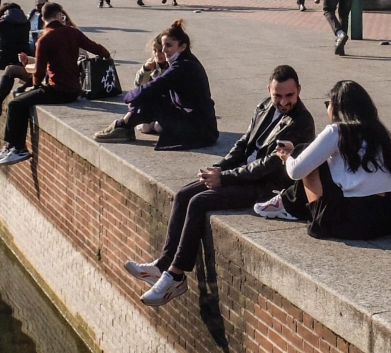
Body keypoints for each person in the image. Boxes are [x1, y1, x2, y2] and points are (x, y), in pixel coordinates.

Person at [123, 65, 316, 307]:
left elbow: (268, 166)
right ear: (269, 90)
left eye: (289, 95)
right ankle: (162, 264)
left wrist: (224, 178)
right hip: (241, 174)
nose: (283, 102)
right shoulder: (264, 105)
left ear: (298, 90)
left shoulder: (301, 122)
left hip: (265, 186)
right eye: (278, 95)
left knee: (198, 202)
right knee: (183, 194)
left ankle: (176, 275)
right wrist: (219, 168)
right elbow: (244, 143)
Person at [257, 80, 391, 241]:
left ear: (337, 107)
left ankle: (289, 206)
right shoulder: (382, 133)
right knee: (314, 157)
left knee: (303, 152)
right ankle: (286, 202)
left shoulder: (338, 131)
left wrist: (287, 156)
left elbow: (295, 171)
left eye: (328, 103)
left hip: (356, 223)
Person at [0, 2, 110, 166]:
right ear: (59, 16)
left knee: (15, 104)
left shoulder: (44, 39)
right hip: (74, 89)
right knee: (22, 100)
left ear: (43, 18)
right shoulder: (73, 32)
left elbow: (39, 70)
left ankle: (18, 148)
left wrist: (35, 86)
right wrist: (107, 56)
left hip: (58, 89)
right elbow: (96, 48)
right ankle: (10, 146)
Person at [93, 19, 219, 150]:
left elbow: (156, 86)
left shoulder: (183, 66)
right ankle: (124, 126)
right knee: (148, 97)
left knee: (148, 96)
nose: (164, 50)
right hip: (198, 123)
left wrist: (130, 98)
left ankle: (122, 126)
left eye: (169, 45)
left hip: (199, 129)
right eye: (163, 45)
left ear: (183, 47)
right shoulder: (184, 61)